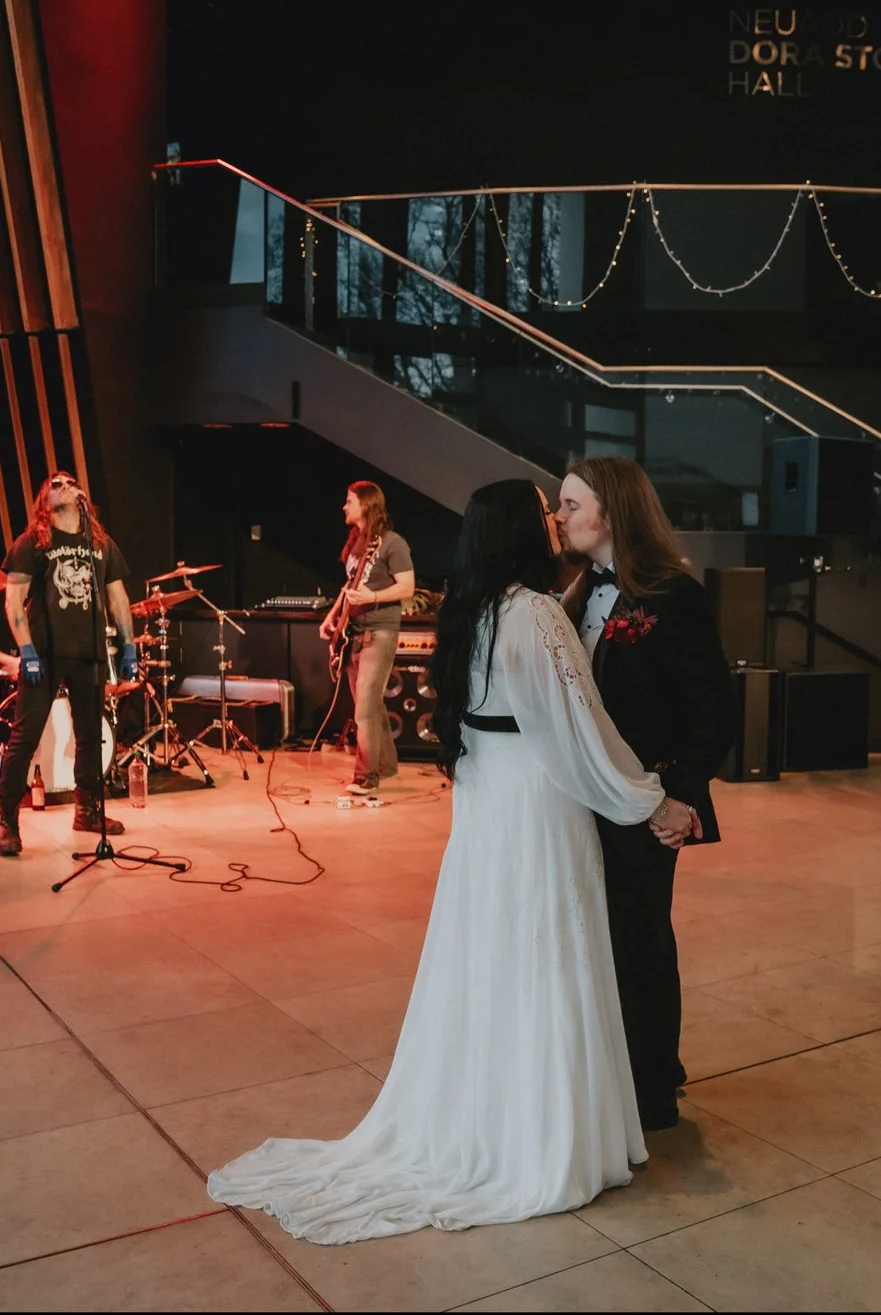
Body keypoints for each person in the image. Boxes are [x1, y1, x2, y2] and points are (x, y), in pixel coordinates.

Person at [209, 480, 698, 1244]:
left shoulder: (475, 611)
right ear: (518, 532)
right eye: (545, 509)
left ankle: (489, 1113)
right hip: (537, 807)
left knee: (492, 960)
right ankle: (540, 1136)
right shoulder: (536, 613)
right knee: (542, 955)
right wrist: (648, 799)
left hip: (489, 808)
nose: (554, 519)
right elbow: (581, 733)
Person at [557, 456, 737, 1132]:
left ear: (613, 508)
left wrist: (684, 796)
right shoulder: (575, 591)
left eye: (573, 503)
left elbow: (711, 707)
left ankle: (654, 1087)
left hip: (646, 801)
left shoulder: (672, 594)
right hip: (586, 796)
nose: (562, 515)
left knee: (641, 941)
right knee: (600, 939)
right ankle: (612, 1070)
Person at [0, 472, 136, 856]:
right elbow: (13, 602)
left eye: (69, 480)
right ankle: (6, 820)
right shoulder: (32, 543)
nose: (64, 483)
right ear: (44, 498)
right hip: (44, 653)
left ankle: (87, 810)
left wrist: (128, 646)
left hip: (88, 652)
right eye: (55, 482)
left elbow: (117, 598)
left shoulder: (100, 543)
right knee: (24, 738)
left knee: (91, 736)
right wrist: (26, 651)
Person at [319, 481, 414, 796]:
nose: (343, 507)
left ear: (366, 505)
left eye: (349, 501)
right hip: (355, 632)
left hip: (380, 631)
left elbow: (407, 587)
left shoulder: (393, 543)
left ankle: (366, 777)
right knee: (369, 706)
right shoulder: (358, 543)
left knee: (364, 710)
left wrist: (373, 596)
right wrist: (332, 616)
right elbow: (349, 588)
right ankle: (385, 767)